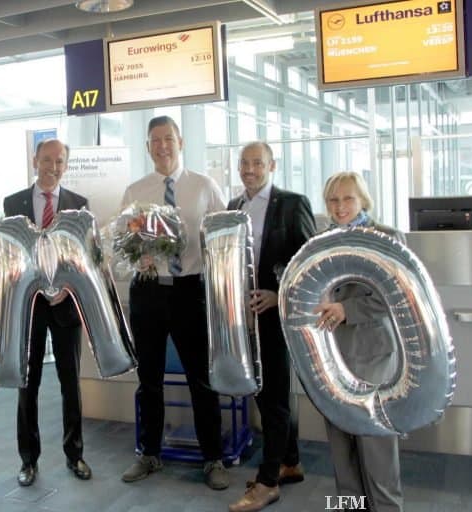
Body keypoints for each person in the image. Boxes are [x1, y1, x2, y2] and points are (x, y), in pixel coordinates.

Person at [120, 116, 231, 490]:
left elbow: (224, 239)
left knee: (202, 378)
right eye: (155, 140)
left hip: (190, 291)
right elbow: (122, 244)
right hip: (147, 290)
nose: (162, 146)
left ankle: (212, 458)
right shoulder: (136, 190)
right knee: (148, 378)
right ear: (147, 147)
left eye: (168, 138)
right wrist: (138, 258)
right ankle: (149, 453)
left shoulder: (204, 186)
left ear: (180, 142)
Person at [227, 142, 315, 512]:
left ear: (272, 165)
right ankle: (289, 462)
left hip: (277, 314)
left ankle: (267, 484)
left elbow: (309, 260)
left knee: (274, 397)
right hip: (245, 316)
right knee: (266, 393)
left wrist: (277, 294)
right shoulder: (234, 207)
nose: (250, 169)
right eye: (244, 163)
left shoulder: (293, 203)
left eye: (257, 163)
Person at [313, 171, 405, 512]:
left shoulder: (387, 238)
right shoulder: (320, 242)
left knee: (377, 454)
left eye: (347, 199)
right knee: (343, 457)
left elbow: (394, 296)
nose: (340, 207)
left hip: (373, 358)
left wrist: (345, 309)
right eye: (333, 200)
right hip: (332, 360)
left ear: (363, 200)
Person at [3, 139, 92, 487]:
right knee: (29, 385)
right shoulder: (13, 203)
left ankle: (76, 454)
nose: (52, 167)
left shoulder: (78, 205)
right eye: (46, 160)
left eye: (59, 161)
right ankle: (28, 460)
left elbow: (84, 259)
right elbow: (12, 254)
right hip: (30, 307)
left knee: (71, 384)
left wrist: (67, 288)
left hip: (66, 307)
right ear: (34, 160)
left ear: (66, 165)